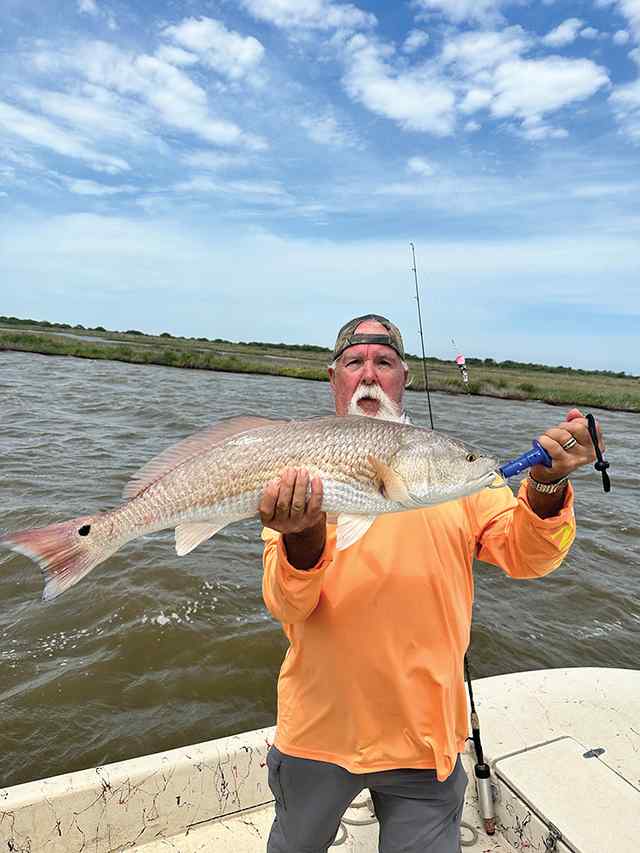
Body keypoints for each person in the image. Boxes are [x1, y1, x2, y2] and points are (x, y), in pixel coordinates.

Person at [258, 314, 603, 853]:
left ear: (404, 378)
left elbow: (528, 556)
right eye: (354, 362)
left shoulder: (452, 467)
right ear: (333, 378)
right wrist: (302, 537)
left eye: (384, 362)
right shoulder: (299, 471)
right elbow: (286, 604)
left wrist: (547, 483)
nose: (368, 374)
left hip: (424, 737)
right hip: (319, 730)